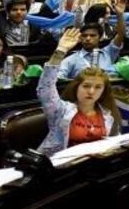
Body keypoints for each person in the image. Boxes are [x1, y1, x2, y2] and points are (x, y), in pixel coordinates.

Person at [37, 28, 121, 156]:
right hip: (60, 167)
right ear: (77, 87)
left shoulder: (108, 114)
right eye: (86, 86)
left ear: (104, 91)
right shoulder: (61, 110)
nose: (91, 91)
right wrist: (60, 52)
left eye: (98, 87)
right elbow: (45, 88)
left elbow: (114, 144)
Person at [57, 0, 127, 79]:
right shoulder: (71, 59)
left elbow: (121, 35)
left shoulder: (108, 53)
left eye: (92, 35)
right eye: (84, 35)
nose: (88, 38)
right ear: (80, 38)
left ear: (100, 38)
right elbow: (58, 78)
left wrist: (120, 15)